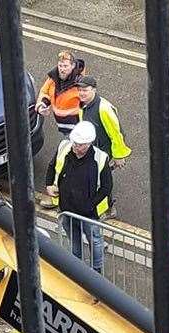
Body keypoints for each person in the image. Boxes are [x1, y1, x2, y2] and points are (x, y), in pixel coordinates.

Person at [45, 120, 113, 274]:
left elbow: (106, 188)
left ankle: (96, 272)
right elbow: (51, 165)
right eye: (74, 143)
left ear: (89, 143)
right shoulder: (64, 147)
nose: (75, 147)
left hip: (88, 215)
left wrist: (90, 205)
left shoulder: (100, 159)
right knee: (75, 241)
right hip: (67, 209)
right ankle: (77, 270)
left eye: (80, 145)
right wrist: (49, 184)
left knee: (95, 241)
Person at [36, 50, 86, 137]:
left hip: (78, 127)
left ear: (73, 66)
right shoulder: (52, 79)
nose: (62, 69)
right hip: (62, 126)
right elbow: (45, 92)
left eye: (66, 66)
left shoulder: (80, 83)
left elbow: (88, 103)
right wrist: (42, 105)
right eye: (60, 66)